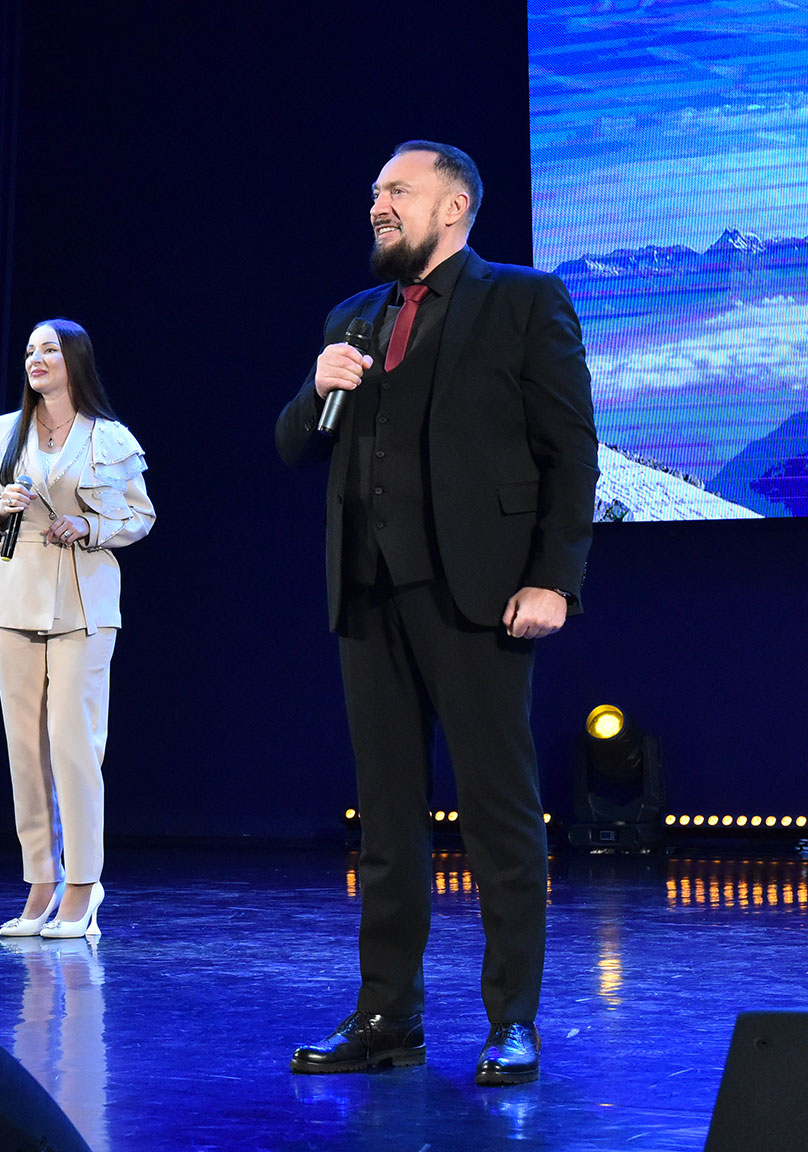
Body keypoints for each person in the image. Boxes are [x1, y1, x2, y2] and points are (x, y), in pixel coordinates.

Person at [275, 141, 597, 1085]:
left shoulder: (523, 300)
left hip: (479, 596)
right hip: (368, 593)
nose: (379, 204)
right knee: (386, 819)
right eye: (376, 191)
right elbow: (295, 445)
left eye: (398, 191)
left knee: (499, 812)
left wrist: (554, 580)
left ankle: (513, 1019)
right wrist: (316, 387)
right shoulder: (354, 317)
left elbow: (571, 451)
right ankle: (388, 1015)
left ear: (453, 207)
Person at [0, 319, 154, 939]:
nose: (36, 358)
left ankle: (83, 884)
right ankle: (40, 880)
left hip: (82, 600)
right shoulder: (3, 432)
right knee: (24, 748)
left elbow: (141, 515)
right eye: (29, 350)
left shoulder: (110, 436)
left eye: (49, 349)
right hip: (13, 597)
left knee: (74, 744)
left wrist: (91, 527)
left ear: (75, 359)